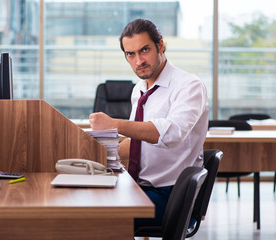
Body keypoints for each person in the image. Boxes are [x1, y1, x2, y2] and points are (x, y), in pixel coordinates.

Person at [89, 19, 209, 230]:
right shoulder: (140, 89)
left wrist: (114, 124)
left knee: (94, 217)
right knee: (86, 201)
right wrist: (92, 149)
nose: (138, 61)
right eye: (130, 54)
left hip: (171, 195)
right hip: (140, 187)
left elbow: (171, 134)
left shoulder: (189, 86)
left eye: (144, 50)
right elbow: (138, 142)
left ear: (160, 46)